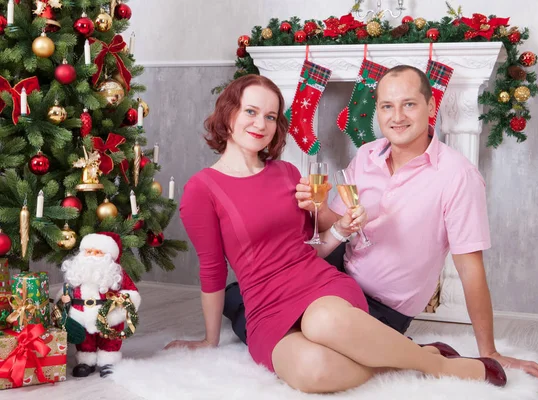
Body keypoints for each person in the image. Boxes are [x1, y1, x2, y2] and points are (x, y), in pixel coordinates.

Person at [164, 74, 507, 393]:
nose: (261, 123)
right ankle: (425, 356)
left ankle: (448, 370)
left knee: (323, 320)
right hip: (265, 306)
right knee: (314, 371)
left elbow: (308, 248)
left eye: (270, 116)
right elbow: (212, 269)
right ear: (228, 115)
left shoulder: (287, 173)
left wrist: (340, 229)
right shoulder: (201, 189)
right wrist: (209, 340)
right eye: (251, 111)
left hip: (321, 287)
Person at [292, 65, 538, 378]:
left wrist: (489, 352)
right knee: (246, 302)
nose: (396, 116)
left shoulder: (458, 176)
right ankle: (397, 353)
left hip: (383, 308)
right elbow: (336, 223)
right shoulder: (367, 155)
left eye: (408, 104)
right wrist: (313, 208)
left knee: (316, 360)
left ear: (430, 107)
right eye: (387, 106)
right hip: (339, 276)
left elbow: (470, 269)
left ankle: (422, 355)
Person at [59, 232, 141, 378]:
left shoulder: (116, 274)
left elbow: (132, 294)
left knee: (109, 340)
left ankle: (108, 361)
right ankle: (85, 362)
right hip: (80, 316)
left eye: (98, 252)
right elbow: (65, 292)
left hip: (108, 316)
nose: (92, 256)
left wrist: (117, 312)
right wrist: (63, 303)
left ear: (108, 256)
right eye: (88, 251)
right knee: (84, 341)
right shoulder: (76, 274)